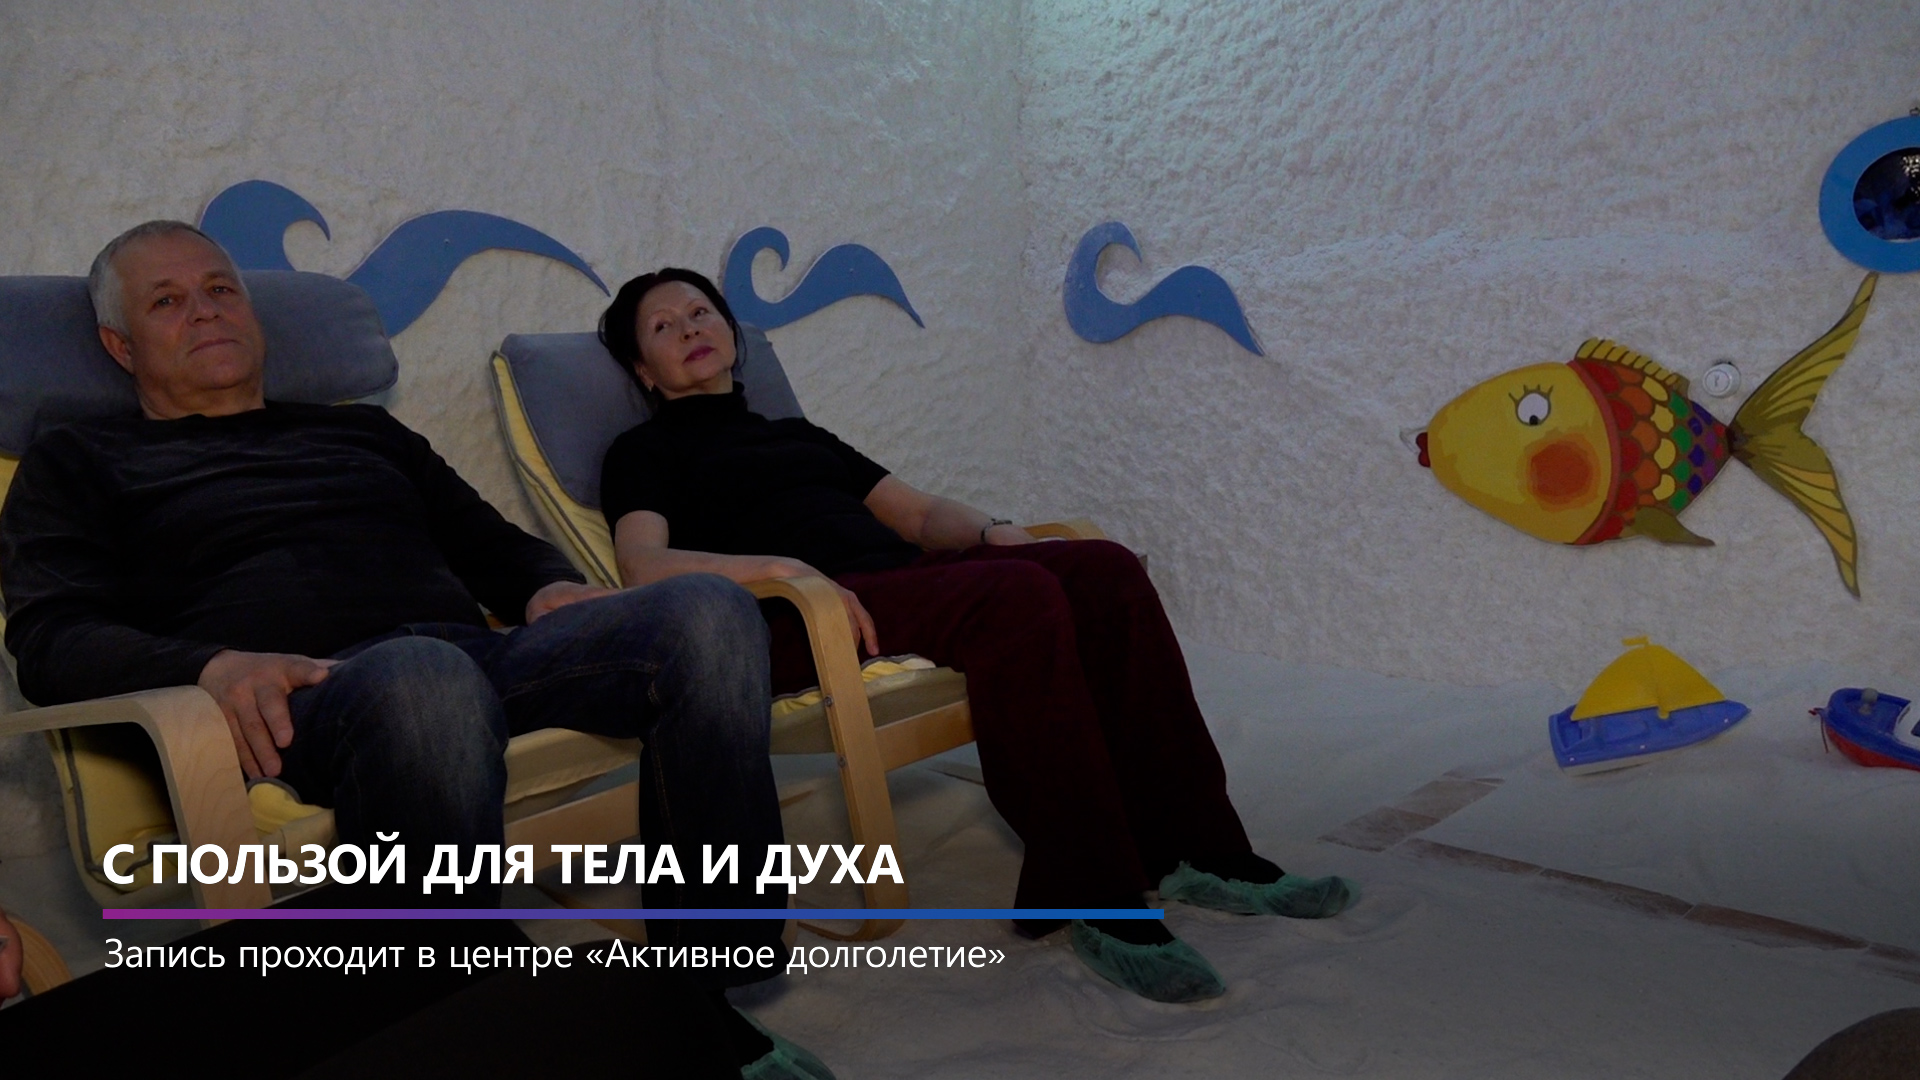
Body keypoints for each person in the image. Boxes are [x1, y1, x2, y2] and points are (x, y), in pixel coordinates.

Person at [0, 223, 829, 1079]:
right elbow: (52, 637)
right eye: (167, 302)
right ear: (120, 346)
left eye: (220, 288)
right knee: (424, 679)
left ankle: (704, 989)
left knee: (708, 612)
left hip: (469, 659)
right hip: (301, 698)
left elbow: (490, 542)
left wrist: (545, 587)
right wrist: (212, 667)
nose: (204, 311)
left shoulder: (364, 433)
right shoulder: (79, 459)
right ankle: (469, 1020)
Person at [595, 267, 1359, 1004]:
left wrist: (995, 531)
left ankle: (1199, 850)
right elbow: (642, 565)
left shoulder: (800, 435)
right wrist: (782, 567)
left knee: (1105, 568)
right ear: (644, 370)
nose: (689, 328)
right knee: (1015, 596)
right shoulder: (643, 452)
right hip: (797, 617)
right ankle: (1089, 891)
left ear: (732, 333)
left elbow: (919, 515)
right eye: (663, 326)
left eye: (700, 312)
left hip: (898, 584)